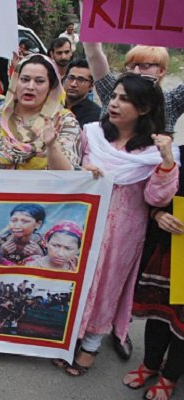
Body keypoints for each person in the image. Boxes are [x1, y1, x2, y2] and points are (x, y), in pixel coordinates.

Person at [54, 74, 180, 377]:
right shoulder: (92, 135)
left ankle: (92, 346)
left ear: (145, 108)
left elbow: (156, 197)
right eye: (114, 97)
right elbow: (69, 171)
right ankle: (70, 337)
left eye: (124, 99)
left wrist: (165, 164)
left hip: (124, 233)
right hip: (82, 225)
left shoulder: (155, 151)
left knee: (108, 287)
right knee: (77, 281)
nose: (114, 103)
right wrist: (82, 169)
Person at [122, 145, 184, 400]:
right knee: (159, 313)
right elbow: (154, 194)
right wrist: (159, 215)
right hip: (171, 250)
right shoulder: (178, 154)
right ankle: (150, 364)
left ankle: (170, 376)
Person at [0, 54, 81, 171]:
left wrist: (51, 145)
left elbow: (69, 174)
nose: (30, 86)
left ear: (51, 86)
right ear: (15, 81)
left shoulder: (64, 121)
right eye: (25, 79)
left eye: (39, 81)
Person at [85, 43, 184, 133]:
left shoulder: (171, 102)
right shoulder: (112, 89)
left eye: (145, 65)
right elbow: (94, 54)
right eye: (131, 66)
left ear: (161, 70)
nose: (136, 72)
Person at [63, 59, 101, 129]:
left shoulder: (95, 115)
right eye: (71, 78)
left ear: (91, 85)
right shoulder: (52, 105)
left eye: (81, 80)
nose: (73, 84)